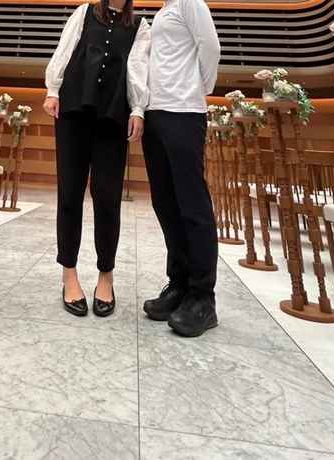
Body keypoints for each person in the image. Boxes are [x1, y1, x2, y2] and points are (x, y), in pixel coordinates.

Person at [44, 0, 150, 317]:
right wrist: (53, 90)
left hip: (112, 117)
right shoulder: (84, 12)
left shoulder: (140, 26)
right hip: (73, 111)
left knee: (107, 198)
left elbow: (138, 68)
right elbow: (65, 49)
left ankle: (106, 275)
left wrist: (138, 109)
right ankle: (69, 274)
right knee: (69, 194)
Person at [141, 0, 221, 337]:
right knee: (166, 204)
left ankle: (202, 297)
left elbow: (211, 47)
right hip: (155, 112)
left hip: (184, 112)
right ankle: (179, 284)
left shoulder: (190, 2)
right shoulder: (164, 9)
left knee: (192, 205)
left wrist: (199, 89)